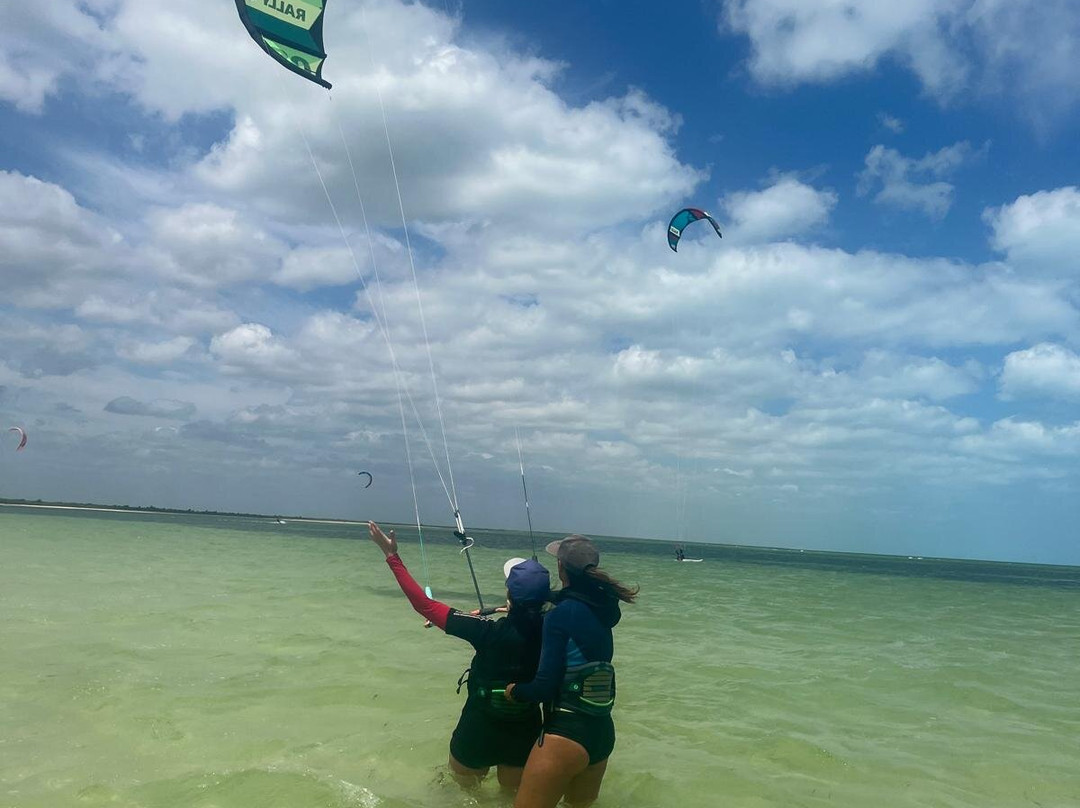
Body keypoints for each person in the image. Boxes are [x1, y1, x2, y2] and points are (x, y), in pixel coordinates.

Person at [367, 521, 550, 791]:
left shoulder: (484, 632)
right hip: (523, 734)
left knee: (462, 794)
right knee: (512, 798)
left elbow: (424, 605)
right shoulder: (555, 629)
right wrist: (506, 609)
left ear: (509, 594)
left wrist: (392, 556)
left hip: (478, 731)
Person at [504, 535, 638, 808]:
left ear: (561, 568)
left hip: (566, 734)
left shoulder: (559, 616)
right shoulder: (604, 609)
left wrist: (515, 691)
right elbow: (569, 602)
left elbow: (543, 687)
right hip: (601, 735)